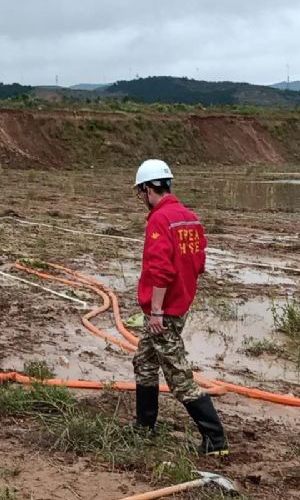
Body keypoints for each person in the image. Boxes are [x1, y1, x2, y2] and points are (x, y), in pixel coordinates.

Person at [131, 159, 228, 455]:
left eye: (141, 192)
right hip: (176, 306)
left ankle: (216, 440)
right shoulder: (189, 218)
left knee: (179, 377)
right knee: (144, 363)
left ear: (149, 189)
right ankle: (144, 426)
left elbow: (161, 270)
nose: (142, 199)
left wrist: (157, 311)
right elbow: (198, 264)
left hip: (165, 312)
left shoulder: (160, 220)